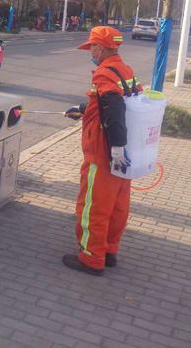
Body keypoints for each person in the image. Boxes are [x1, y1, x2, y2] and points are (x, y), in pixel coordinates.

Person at [62, 26, 142, 276]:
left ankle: (91, 257)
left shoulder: (104, 73)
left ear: (99, 47)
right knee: (117, 206)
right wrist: (84, 109)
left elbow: (114, 108)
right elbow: (112, 104)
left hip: (103, 153)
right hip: (122, 156)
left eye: (91, 48)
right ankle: (109, 251)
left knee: (93, 207)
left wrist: (116, 145)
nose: (91, 52)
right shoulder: (125, 70)